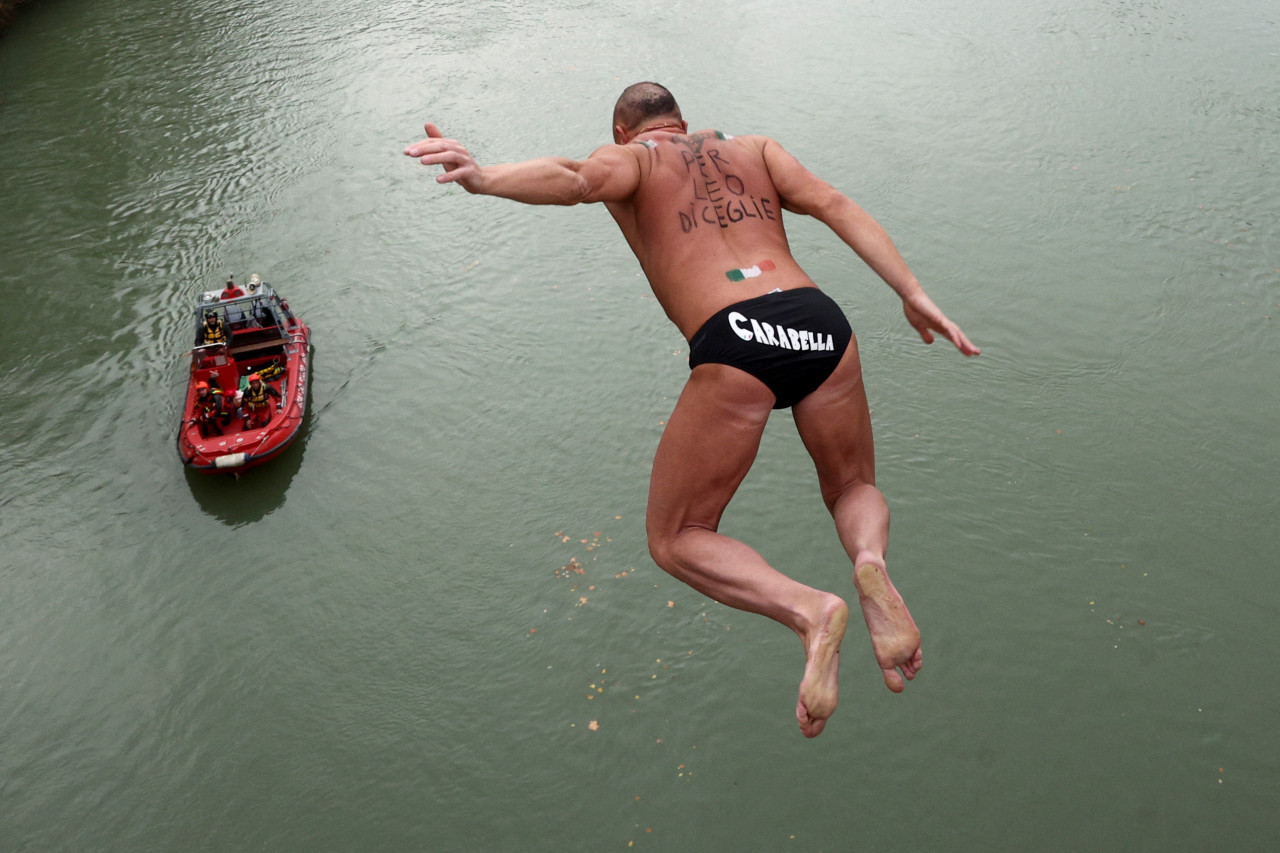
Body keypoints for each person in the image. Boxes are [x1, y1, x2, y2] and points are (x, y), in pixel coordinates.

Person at [405, 82, 979, 737]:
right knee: (853, 486)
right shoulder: (755, 148)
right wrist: (911, 290)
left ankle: (811, 610)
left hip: (736, 334)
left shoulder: (635, 161)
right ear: (683, 120)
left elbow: (574, 179)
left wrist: (486, 177)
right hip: (820, 321)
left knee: (676, 537)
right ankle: (870, 563)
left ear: (625, 131)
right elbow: (833, 202)